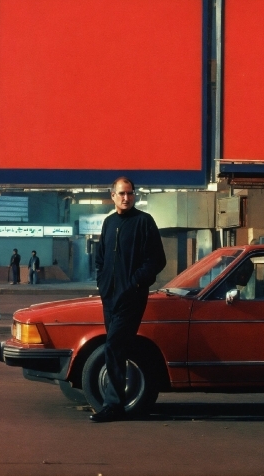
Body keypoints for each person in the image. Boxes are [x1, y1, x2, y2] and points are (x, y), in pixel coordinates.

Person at [90, 176, 166, 423]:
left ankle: (113, 405)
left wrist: (134, 283)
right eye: (121, 194)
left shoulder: (144, 222)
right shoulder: (109, 223)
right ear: (112, 195)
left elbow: (157, 260)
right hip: (109, 298)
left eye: (130, 193)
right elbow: (100, 258)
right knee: (120, 347)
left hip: (131, 298)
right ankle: (134, 396)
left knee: (113, 345)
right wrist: (102, 284)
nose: (126, 198)